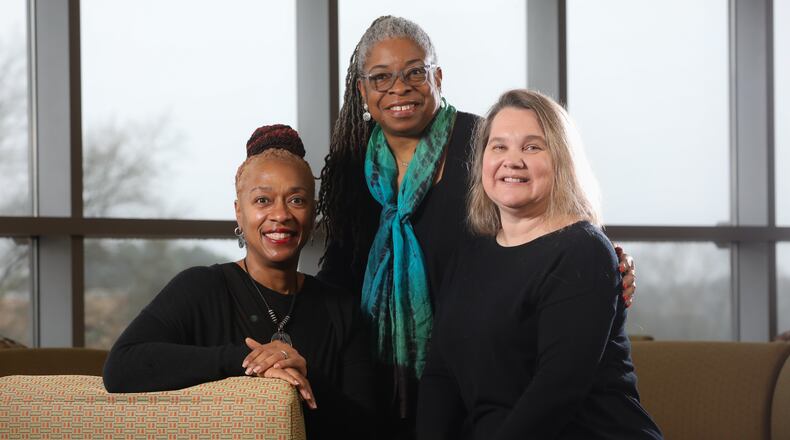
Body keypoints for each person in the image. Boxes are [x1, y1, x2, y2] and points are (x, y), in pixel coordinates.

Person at [316, 15, 637, 437]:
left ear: (438, 76)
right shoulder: (352, 169)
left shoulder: (480, 144)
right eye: (381, 77)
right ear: (362, 90)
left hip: (483, 373)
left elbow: (547, 229)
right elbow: (338, 277)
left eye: (415, 72)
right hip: (389, 373)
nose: (399, 87)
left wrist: (609, 267)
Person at [416, 89, 662, 439]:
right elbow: (441, 374)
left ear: (561, 160)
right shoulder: (471, 255)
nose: (512, 160)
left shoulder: (583, 252)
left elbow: (555, 395)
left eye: (532, 147)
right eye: (498, 146)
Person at [103, 125, 375, 439]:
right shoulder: (201, 288)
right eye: (262, 201)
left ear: (313, 214)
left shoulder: (340, 308)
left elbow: (367, 426)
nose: (280, 215)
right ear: (239, 213)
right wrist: (245, 361)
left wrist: (304, 373)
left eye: (296, 200)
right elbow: (121, 367)